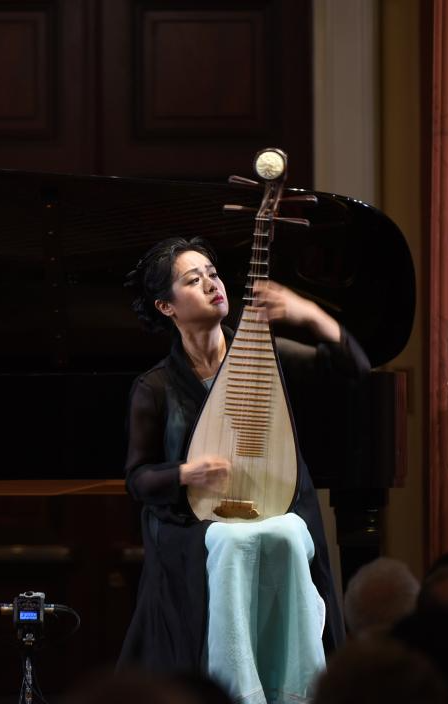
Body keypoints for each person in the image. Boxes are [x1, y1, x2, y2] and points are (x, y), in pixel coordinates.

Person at [119, 237, 370, 702]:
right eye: (193, 280)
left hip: (273, 507)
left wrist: (307, 313)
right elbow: (138, 480)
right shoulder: (155, 387)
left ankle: (299, 689)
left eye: (213, 274)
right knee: (230, 540)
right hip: (191, 527)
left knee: (289, 532)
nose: (212, 284)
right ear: (166, 307)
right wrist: (184, 474)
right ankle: (236, 690)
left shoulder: (264, 359)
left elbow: (355, 368)